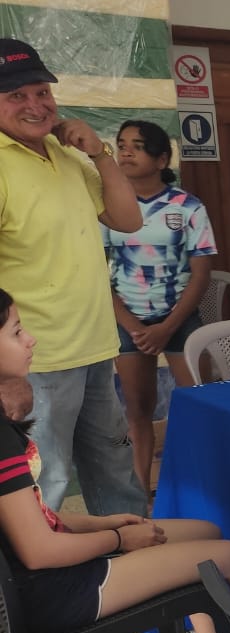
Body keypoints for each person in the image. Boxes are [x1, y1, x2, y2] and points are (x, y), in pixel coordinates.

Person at [0, 289, 230, 633]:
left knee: (206, 532)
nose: (30, 339)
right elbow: (39, 551)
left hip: (37, 580)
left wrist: (103, 523)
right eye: (16, 332)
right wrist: (119, 539)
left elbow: (34, 519)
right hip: (54, 591)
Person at [0, 38, 147, 515]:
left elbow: (127, 219)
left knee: (116, 473)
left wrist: (100, 153)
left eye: (42, 92)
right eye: (16, 95)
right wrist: (5, 375)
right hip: (37, 361)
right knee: (47, 483)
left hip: (94, 347)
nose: (35, 105)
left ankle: (132, 553)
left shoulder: (63, 154)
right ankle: (42, 566)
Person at [104, 120, 216, 494]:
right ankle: (140, 498)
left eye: (137, 146)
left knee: (201, 405)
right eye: (121, 145)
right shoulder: (105, 209)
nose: (125, 152)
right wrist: (134, 325)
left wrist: (166, 327)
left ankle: (203, 486)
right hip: (128, 322)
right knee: (137, 411)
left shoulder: (188, 207)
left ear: (162, 159)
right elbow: (97, 275)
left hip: (180, 319)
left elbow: (201, 274)